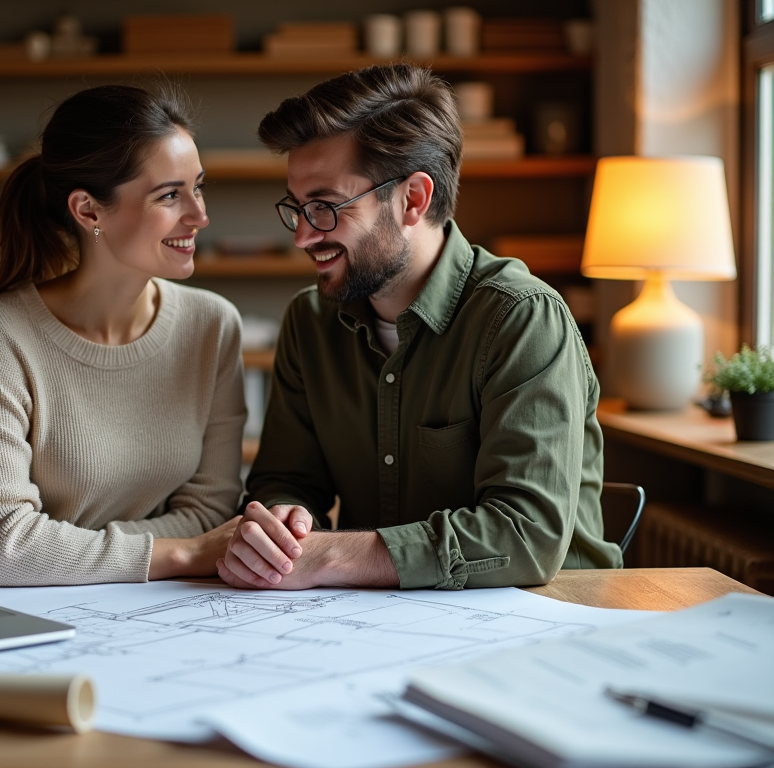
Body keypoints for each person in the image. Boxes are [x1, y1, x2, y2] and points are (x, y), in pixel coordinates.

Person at [217, 63, 622, 592]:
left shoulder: (522, 318)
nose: (301, 237)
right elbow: (286, 481)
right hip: (384, 620)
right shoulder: (309, 321)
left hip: (548, 620)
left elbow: (526, 535)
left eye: (324, 207)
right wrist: (283, 527)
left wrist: (332, 556)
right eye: (296, 208)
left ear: (413, 199)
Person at [0, 84, 246, 586]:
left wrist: (42, 548)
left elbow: (210, 516)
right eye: (169, 195)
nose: (200, 215)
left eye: (198, 187)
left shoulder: (213, 326)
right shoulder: (2, 334)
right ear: (89, 211)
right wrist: (183, 554)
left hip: (171, 614)